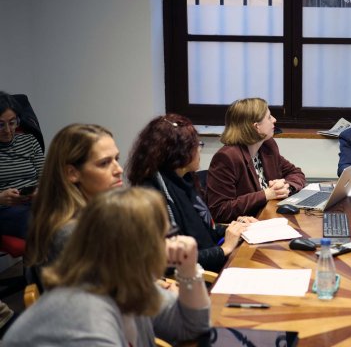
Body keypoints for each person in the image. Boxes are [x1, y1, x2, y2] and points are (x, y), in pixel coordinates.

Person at [4, 187, 211, 346]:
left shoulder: (125, 283)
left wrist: (188, 269)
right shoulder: (87, 318)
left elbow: (193, 325)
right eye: (166, 235)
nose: (172, 243)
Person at [128, 114, 254, 272]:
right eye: (197, 145)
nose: (199, 150)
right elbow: (168, 261)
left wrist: (239, 228)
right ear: (178, 152)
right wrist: (224, 249)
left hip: (215, 265)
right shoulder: (153, 195)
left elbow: (207, 231)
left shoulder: (185, 180)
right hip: (200, 279)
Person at [25, 124, 123, 283]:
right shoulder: (71, 234)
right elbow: (104, 299)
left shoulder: (95, 216)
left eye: (116, 159)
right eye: (104, 163)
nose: (119, 169)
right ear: (72, 173)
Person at [206, 98, 306, 222]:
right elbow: (220, 210)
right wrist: (265, 194)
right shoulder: (227, 157)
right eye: (269, 117)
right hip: (247, 227)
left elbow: (296, 173)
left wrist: (286, 187)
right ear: (256, 127)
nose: (274, 120)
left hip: (270, 217)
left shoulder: (267, 146)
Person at [0, 91, 44, 240]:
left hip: (35, 203)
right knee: (39, 223)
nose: (7, 130)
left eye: (12, 123)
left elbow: (45, 177)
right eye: (0, 125)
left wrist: (38, 190)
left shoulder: (29, 141)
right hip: (5, 210)